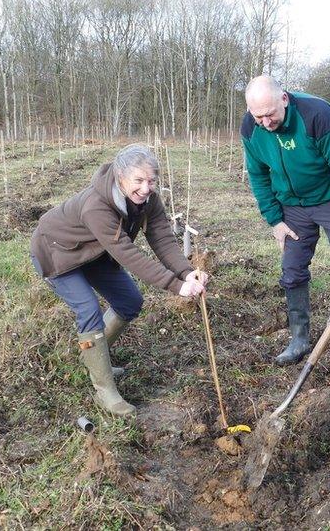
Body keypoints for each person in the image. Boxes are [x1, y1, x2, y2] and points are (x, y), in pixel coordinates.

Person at [30, 143, 208, 416]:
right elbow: (127, 254)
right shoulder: (96, 206)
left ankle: (93, 357)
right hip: (58, 253)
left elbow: (161, 238)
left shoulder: (149, 200)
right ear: (120, 176)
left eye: (151, 180)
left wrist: (186, 271)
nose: (145, 188)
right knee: (88, 309)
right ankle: (105, 389)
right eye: (138, 180)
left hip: (94, 253)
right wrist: (176, 286)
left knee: (129, 301)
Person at [241, 75, 330, 381]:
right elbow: (258, 175)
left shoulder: (317, 115)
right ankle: (299, 339)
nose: (265, 122)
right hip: (291, 207)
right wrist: (274, 219)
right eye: (258, 116)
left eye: (271, 113)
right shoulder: (251, 127)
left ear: (284, 99)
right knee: (292, 271)